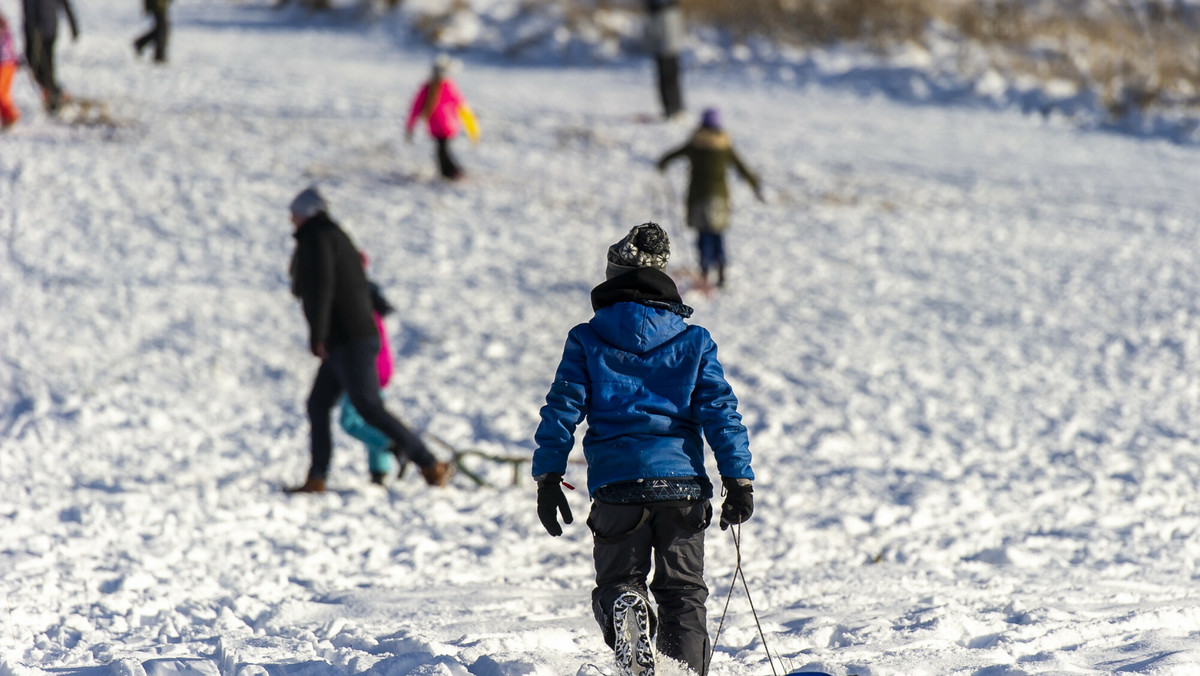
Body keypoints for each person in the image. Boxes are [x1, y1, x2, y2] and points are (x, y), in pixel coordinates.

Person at [531, 223, 755, 676]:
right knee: (684, 593)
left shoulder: (587, 339)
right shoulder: (695, 341)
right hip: (683, 486)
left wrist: (549, 475)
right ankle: (684, 672)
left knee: (618, 582)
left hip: (618, 487)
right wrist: (738, 479)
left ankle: (628, 609)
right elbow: (721, 412)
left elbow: (562, 408)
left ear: (612, 277)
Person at [286, 186, 453, 493]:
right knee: (318, 404)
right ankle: (317, 476)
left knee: (368, 408)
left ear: (308, 212)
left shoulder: (319, 237)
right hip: (343, 341)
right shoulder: (327, 235)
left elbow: (321, 288)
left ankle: (430, 463)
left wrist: (318, 334)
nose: (291, 219)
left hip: (351, 340)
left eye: (294, 212)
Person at [657, 108, 763, 289]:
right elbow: (741, 166)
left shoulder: (696, 143)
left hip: (698, 198)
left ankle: (705, 270)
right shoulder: (724, 145)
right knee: (717, 235)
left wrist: (662, 162)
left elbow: (673, 154)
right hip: (719, 199)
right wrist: (755, 184)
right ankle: (721, 271)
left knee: (702, 235)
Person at [337, 257, 404, 486]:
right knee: (373, 417)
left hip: (367, 368)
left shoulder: (356, 301)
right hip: (378, 366)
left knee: (351, 421)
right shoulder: (365, 298)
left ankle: (394, 444)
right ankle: (379, 471)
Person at [404, 54, 479, 181]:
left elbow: (415, 108)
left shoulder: (429, 88)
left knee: (441, 151)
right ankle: (448, 172)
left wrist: (410, 127)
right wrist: (473, 130)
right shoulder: (449, 87)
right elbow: (464, 109)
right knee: (442, 150)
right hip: (450, 126)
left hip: (438, 126)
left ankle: (452, 172)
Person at [22, 0, 78, 114]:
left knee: (45, 67)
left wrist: (73, 26)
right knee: (35, 66)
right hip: (33, 30)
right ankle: (54, 94)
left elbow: (65, 3)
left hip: (47, 29)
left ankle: (54, 96)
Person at [645, 0, 684, 119]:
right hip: (662, 42)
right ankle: (670, 108)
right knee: (665, 74)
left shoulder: (667, 7)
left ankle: (674, 108)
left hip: (668, 42)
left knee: (670, 74)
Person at [0, 10, 20, 129]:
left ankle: (10, 116)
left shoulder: (3, 29)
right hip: (8, 63)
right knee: (3, 92)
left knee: (2, 92)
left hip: (5, 64)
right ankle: (9, 116)